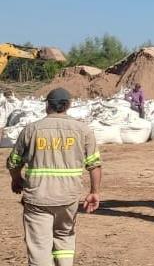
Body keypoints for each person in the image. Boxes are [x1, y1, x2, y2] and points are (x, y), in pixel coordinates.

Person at [7, 87, 102, 266]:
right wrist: (94, 192)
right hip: (68, 198)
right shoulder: (83, 130)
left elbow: (13, 162)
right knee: (64, 237)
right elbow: (94, 164)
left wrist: (16, 179)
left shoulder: (31, 130)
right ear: (68, 105)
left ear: (47, 106)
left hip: (38, 199)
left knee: (39, 247)